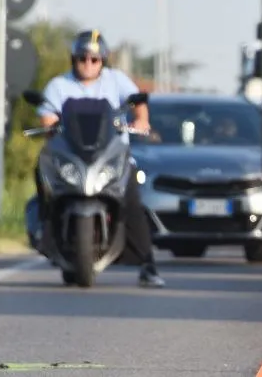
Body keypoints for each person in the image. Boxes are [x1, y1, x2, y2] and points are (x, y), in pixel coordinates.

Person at [34, 29, 165, 288]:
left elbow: (138, 105)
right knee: (41, 174)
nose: (88, 64)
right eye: (82, 58)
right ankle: (44, 231)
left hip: (111, 157)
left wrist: (141, 122)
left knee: (132, 202)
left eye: (94, 59)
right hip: (72, 157)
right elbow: (47, 117)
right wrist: (50, 125)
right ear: (74, 59)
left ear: (103, 61)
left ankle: (147, 264)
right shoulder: (59, 85)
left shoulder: (117, 81)